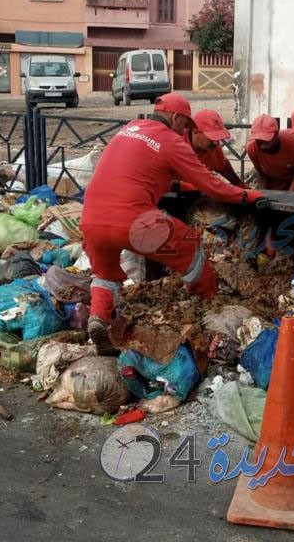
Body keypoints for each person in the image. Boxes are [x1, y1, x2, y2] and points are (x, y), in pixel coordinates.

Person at [80, 93, 265, 354]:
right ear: (176, 117)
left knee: (104, 274)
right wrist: (249, 195)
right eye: (186, 125)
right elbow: (213, 186)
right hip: (134, 221)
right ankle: (208, 304)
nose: (185, 130)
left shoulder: (129, 129)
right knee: (191, 246)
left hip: (91, 219)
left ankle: (99, 319)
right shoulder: (171, 141)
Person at [246, 114, 294, 191]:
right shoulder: (252, 148)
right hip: (274, 182)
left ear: (276, 134)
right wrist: (263, 195)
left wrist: (290, 194)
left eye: (266, 140)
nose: (263, 146)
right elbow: (261, 174)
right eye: (259, 141)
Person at [190, 108, 246, 187]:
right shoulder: (178, 143)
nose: (216, 143)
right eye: (212, 138)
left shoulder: (214, 148)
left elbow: (224, 168)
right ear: (195, 131)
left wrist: (241, 186)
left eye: (217, 138)